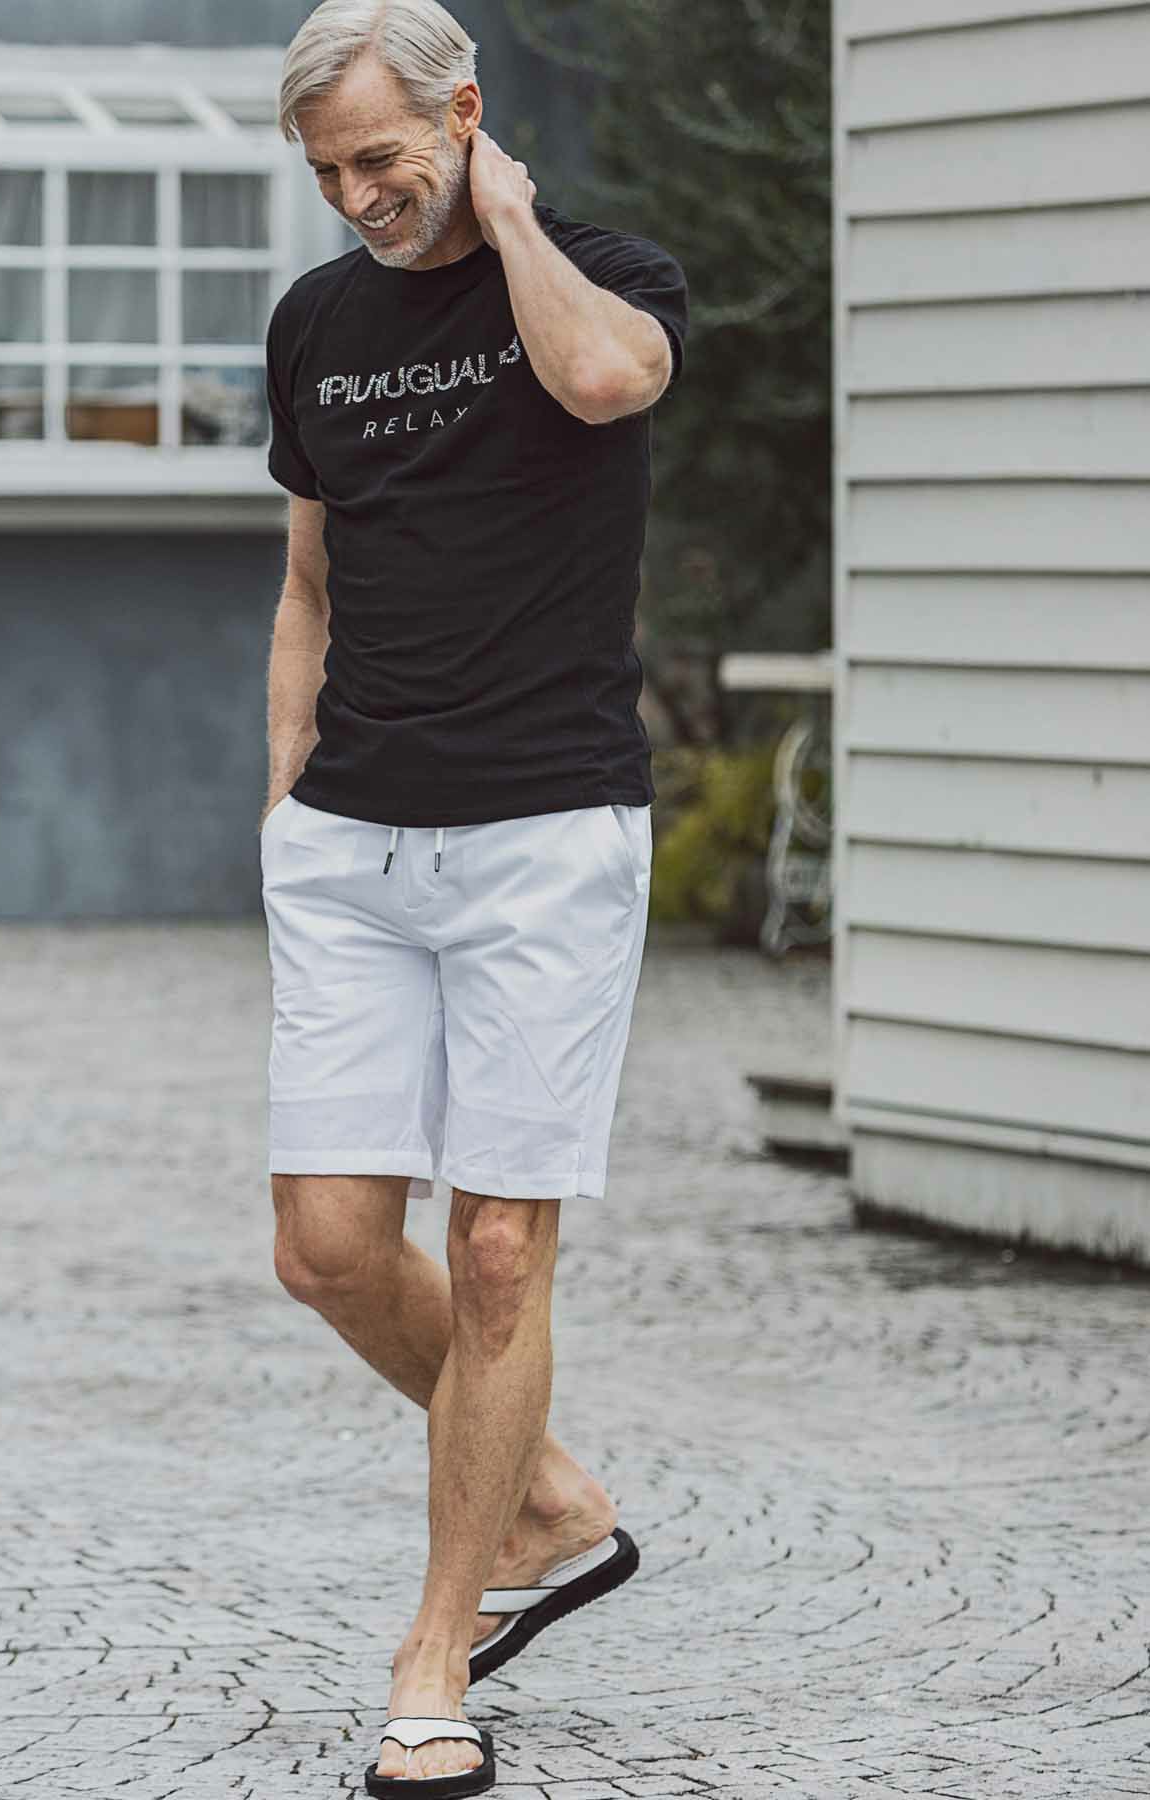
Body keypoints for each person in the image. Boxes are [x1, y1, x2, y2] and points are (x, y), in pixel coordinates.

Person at [259, 2, 688, 1792]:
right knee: (326, 1247)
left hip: (543, 838)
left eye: (382, 156)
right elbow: (308, 581)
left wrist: (503, 219)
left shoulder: (603, 274)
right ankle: (555, 1502)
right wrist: (282, 804)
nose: (358, 196)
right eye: (327, 172)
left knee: (502, 1248)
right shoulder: (314, 322)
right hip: (350, 844)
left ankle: (435, 1656)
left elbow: (603, 384)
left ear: (462, 114)